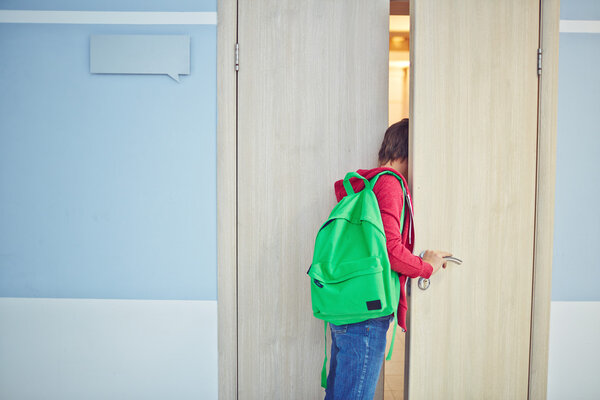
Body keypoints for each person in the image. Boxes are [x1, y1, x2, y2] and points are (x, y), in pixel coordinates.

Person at [325, 118, 451, 400]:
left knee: (339, 394)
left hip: (347, 304)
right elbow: (391, 251)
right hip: (367, 315)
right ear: (410, 150)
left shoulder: (367, 184)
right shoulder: (391, 185)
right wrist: (426, 267)